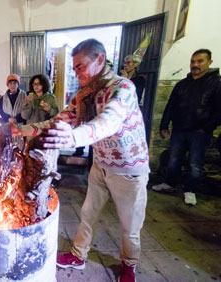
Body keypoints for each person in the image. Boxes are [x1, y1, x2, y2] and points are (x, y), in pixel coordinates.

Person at [13, 39, 149, 282]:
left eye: (80, 66)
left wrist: (74, 136)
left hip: (129, 169)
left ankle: (129, 266)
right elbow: (58, 120)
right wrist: (24, 130)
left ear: (99, 59)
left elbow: (108, 122)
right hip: (101, 165)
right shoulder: (85, 94)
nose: (76, 72)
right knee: (88, 213)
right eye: (74, 68)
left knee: (130, 226)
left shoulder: (123, 88)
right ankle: (78, 254)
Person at [152, 49, 221, 205]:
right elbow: (170, 106)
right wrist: (164, 125)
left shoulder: (216, 83)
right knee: (174, 159)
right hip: (179, 129)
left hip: (200, 132)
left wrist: (207, 128)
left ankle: (190, 190)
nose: (195, 65)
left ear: (209, 62)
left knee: (195, 163)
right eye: (193, 61)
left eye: (200, 61)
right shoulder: (182, 84)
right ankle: (170, 184)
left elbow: (219, 110)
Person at [0, 74, 27, 150]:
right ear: (8, 85)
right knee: (8, 149)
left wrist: (17, 119)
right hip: (7, 129)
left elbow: (27, 110)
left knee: (20, 150)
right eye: (10, 83)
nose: (12, 85)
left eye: (14, 83)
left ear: (18, 84)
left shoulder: (25, 96)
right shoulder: (3, 98)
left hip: (21, 128)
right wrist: (8, 119)